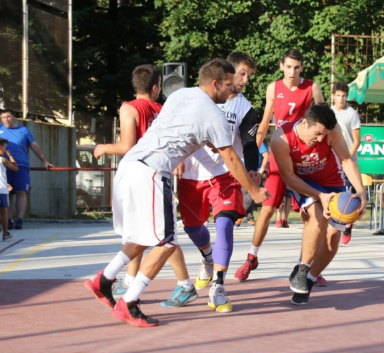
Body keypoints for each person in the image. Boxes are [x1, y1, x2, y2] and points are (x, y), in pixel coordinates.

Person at [83, 58, 269, 328]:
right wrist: (254, 190)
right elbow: (229, 157)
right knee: (167, 242)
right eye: (228, 85)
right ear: (215, 83)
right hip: (153, 173)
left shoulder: (181, 94)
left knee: (145, 237)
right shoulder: (214, 114)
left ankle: (102, 281)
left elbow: (192, 135)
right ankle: (129, 303)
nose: (232, 91)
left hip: (130, 166)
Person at [161, 52, 260, 313]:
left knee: (225, 223)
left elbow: (249, 145)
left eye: (249, 75)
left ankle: (218, 287)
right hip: (192, 174)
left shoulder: (245, 108)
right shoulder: (195, 97)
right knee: (193, 228)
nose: (245, 80)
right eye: (242, 73)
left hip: (225, 174)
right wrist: (177, 156)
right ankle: (207, 257)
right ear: (226, 73)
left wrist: (252, 169)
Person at [234, 49, 325, 283]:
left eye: (296, 67)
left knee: (309, 214)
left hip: (302, 157)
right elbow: (264, 124)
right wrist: (252, 162)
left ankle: (307, 267)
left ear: (302, 67)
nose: (292, 71)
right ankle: (251, 258)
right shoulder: (273, 88)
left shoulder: (312, 88)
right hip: (278, 153)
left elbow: (324, 123)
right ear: (281, 66)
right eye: (288, 67)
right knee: (266, 209)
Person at [271, 103, 366, 305]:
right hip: (303, 182)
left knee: (333, 238)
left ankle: (309, 279)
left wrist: (360, 191)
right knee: (316, 218)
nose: (321, 140)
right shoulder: (281, 139)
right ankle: (302, 267)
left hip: (332, 180)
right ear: (305, 123)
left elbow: (347, 160)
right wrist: (319, 195)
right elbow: (288, 177)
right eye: (317, 134)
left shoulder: (332, 130)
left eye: (324, 135)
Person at [92, 64, 164, 299]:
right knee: (160, 235)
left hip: (135, 173)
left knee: (146, 234)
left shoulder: (129, 108)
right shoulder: (162, 109)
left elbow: (126, 146)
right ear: (156, 87)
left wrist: (103, 147)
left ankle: (119, 282)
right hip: (153, 174)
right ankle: (125, 286)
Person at [0, 109, 54, 230]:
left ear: (14, 117)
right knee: (6, 193)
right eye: (3, 117)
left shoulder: (24, 131)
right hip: (3, 167)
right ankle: (8, 220)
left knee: (21, 191)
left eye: (8, 117)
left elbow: (34, 146)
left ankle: (19, 219)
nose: (6, 120)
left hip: (21, 166)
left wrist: (44, 161)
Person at [331, 81, 361, 245]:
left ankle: (348, 224)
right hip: (332, 162)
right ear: (333, 96)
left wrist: (346, 158)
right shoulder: (329, 112)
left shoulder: (352, 114)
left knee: (350, 196)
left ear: (347, 97)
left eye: (344, 96)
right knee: (335, 195)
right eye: (338, 96)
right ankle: (335, 224)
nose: (341, 99)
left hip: (347, 161)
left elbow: (357, 140)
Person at [236, 142, 269, 227]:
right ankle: (249, 217)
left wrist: (261, 169)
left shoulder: (258, 140)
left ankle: (240, 214)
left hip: (255, 172)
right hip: (242, 172)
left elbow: (266, 155)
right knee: (243, 194)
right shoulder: (239, 141)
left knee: (251, 195)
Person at [0, 138, 18, 241]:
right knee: (4, 212)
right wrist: (10, 156)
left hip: (3, 186)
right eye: (5, 148)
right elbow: (16, 168)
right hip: (2, 189)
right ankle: (5, 234)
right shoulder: (3, 159)